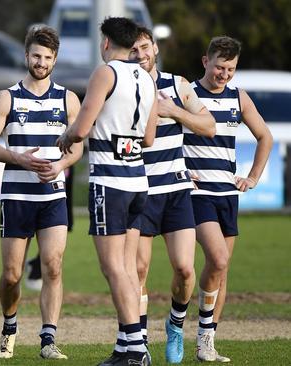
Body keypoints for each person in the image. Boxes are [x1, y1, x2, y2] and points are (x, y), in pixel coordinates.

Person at [56, 17, 158, 366]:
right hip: (138, 181)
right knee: (128, 268)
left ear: (105, 43)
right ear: (132, 44)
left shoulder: (105, 73)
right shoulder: (146, 77)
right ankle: (129, 345)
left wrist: (66, 135)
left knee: (113, 266)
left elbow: (82, 127)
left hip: (110, 182)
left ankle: (135, 350)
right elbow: (148, 138)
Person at [0, 25, 82, 360]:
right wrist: (19, 158)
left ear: (55, 60)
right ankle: (9, 328)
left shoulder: (67, 98)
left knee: (53, 265)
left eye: (47, 57)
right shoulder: (7, 97)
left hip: (52, 197)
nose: (41, 62)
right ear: (26, 56)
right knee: (11, 275)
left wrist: (62, 164)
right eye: (36, 55)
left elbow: (79, 147)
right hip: (17, 198)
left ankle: (48, 339)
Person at [129, 26, 216, 364]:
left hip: (177, 191)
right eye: (134, 49)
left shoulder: (178, 85)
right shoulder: (122, 88)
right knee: (138, 269)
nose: (140, 54)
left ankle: (176, 325)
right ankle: (140, 341)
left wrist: (173, 111)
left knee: (184, 270)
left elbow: (208, 127)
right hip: (140, 190)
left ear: (155, 48)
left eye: (145, 47)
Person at [183, 36, 272, 362]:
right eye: (219, 67)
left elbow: (265, 137)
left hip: (227, 194)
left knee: (221, 270)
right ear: (205, 61)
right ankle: (182, 322)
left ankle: (206, 341)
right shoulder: (185, 93)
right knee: (217, 259)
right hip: (197, 193)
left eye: (230, 69)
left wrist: (252, 178)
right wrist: (179, 168)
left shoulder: (239, 98)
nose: (224, 74)